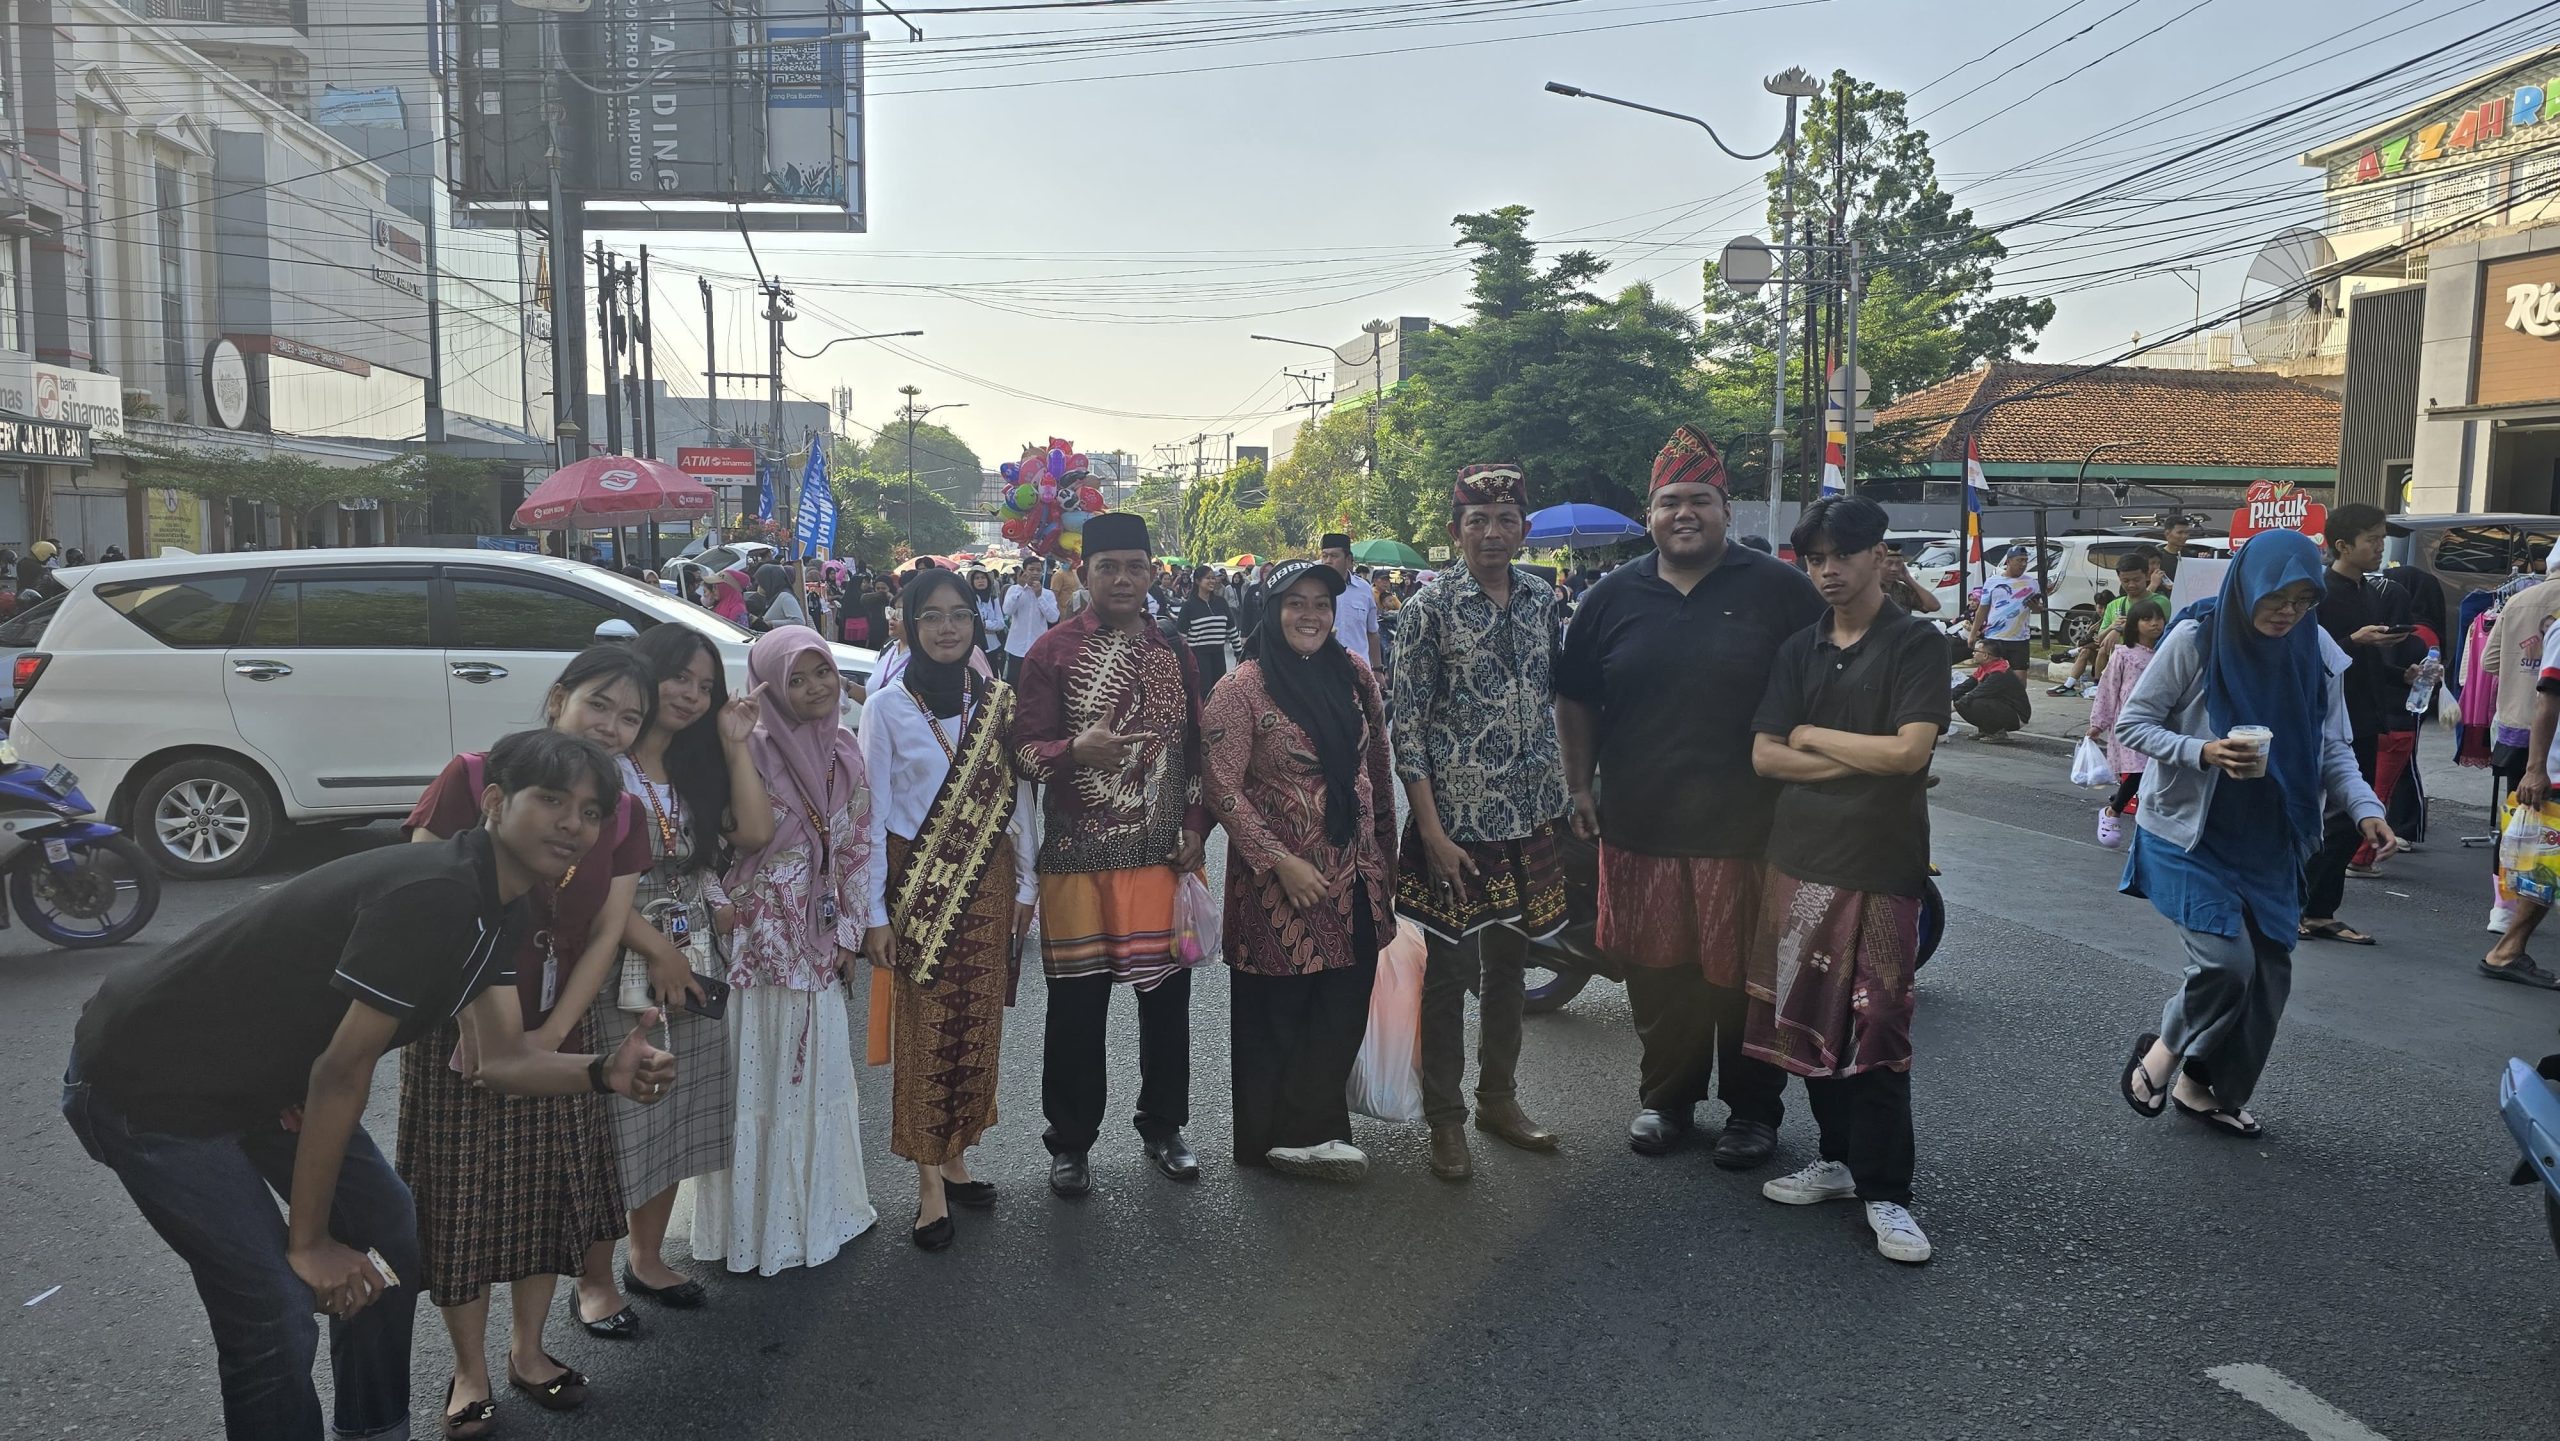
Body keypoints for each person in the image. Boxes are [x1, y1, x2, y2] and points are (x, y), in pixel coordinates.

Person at [62, 730, 673, 1441]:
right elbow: (341, 1071)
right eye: (552, 799)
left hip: (258, 1080)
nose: (574, 822)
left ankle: (373, 1429)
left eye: (592, 811)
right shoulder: (438, 894)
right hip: (150, 1085)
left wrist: (602, 1071)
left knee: (392, 1242)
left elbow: (500, 1059)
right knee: (275, 1308)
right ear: (497, 802)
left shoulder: (503, 902)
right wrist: (311, 1240)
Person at [400, 646, 661, 1430]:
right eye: (599, 705)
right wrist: (496, 1033)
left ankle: (529, 1349)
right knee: (462, 1202)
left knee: (550, 1196)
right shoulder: (474, 777)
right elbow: (426, 908)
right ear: (558, 699)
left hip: (561, 1023)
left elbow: (608, 931)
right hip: (461, 1023)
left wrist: (549, 1035)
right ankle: (469, 1369)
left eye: (630, 717)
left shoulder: (624, 811)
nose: (613, 727)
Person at [1556, 427, 1823, 1170]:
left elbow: (1824, 684)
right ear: (1649, 513)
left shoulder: (1780, 589)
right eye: (1670, 501)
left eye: (1699, 500)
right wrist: (1580, 783)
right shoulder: (1611, 597)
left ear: (1725, 508)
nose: (1684, 513)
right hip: (1640, 821)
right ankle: (1666, 1101)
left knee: (1747, 979)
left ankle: (1752, 1112)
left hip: (1754, 828)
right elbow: (1575, 696)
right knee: (1657, 972)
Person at [2115, 530, 2393, 1140]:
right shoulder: (2196, 638)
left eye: (2303, 598)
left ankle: (2205, 1088)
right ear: (2247, 582)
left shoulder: (2317, 649)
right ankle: (2161, 1054)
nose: (2288, 611)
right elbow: (2133, 722)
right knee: (2226, 962)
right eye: (2277, 595)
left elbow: (2331, 747)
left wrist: (2366, 806)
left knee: (2269, 975)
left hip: (2272, 838)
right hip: (2192, 835)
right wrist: (2202, 751)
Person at [1746, 494, 1949, 1265]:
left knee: (1880, 1026)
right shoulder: (1799, 647)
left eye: (1843, 554)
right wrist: (1854, 754)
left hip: (1880, 864)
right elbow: (1765, 755)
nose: (1829, 570)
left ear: (1879, 557)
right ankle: (1835, 1158)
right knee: (1807, 1019)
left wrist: (1811, 737)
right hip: (1799, 861)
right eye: (1816, 558)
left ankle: (1887, 1192)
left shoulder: (1915, 644)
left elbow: (1910, 755)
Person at [1011, 512, 1210, 1196]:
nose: (1122, 578)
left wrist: (1195, 823)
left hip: (1161, 857)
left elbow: (1195, 748)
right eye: (1108, 567)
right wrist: (1075, 752)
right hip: (1077, 860)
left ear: (1152, 571)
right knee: (1076, 1009)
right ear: (1085, 573)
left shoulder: (1176, 648)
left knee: (1166, 1002)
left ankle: (1164, 1127)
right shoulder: (1051, 652)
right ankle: (1070, 1143)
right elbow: (1023, 753)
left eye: (1135, 566)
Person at [1391, 464, 1571, 1182]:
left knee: (1509, 967)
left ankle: (1499, 1099)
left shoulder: (1539, 596)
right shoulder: (1428, 611)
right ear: (1453, 532)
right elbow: (1409, 730)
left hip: (1528, 818)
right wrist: (1431, 831)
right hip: (1457, 825)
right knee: (1447, 975)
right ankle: (1447, 1121)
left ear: (1523, 526)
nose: (1493, 533)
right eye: (1478, 520)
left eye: (1506, 519)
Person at [858, 570, 1040, 1249]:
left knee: (976, 1025)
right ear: (906, 623)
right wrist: (874, 911)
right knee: (927, 1029)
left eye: (959, 614)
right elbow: (871, 818)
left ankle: (959, 1155)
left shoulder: (996, 699)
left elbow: (1021, 801)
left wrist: (1026, 887)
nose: (946, 628)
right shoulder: (886, 707)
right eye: (930, 615)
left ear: (976, 623)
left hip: (989, 882)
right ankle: (929, 1182)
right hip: (918, 886)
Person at [596, 625, 776, 1310]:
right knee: (613, 1112)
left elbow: (756, 832)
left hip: (693, 952)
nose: (693, 695)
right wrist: (655, 948)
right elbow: (579, 885)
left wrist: (734, 744)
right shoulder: (602, 762)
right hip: (617, 951)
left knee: (675, 1102)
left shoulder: (696, 767)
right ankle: (592, 1278)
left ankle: (646, 1256)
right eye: (680, 677)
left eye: (705, 685)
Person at [1202, 559, 1398, 1180]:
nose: (1310, 615)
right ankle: (1275, 1139)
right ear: (1271, 610)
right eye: (1296, 603)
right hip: (1277, 886)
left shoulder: (1354, 673)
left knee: (1343, 1004)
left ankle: (1314, 1129)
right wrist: (1278, 860)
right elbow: (1220, 786)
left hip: (1356, 874)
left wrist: (1388, 857)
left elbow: (1378, 769)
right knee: (1279, 1010)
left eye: (1321, 603)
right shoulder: (1243, 688)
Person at [697, 626, 880, 1273]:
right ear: (769, 683)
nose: (812, 689)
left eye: (821, 674)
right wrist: (736, 745)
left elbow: (858, 850)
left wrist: (851, 934)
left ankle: (813, 1214)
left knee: (814, 1074)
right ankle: (750, 1226)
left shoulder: (848, 752)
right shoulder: (745, 748)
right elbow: (730, 841)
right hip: (751, 940)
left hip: (816, 938)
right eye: (795, 679)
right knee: (754, 1076)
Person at [2300, 504, 2423, 943]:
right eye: (2372, 539)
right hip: (2329, 719)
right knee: (2327, 819)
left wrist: (2402, 675)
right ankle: (2305, 909)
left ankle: (2319, 910)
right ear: (2342, 545)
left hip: (2367, 716)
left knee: (2349, 819)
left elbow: (2365, 661)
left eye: (2381, 538)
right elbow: (2305, 658)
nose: (2379, 546)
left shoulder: (2370, 590)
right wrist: (2354, 640)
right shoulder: (2318, 594)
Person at [2088, 596, 2169, 848]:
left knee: (2154, 776)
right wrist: (2098, 722)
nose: (2155, 624)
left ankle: (2148, 830)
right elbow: (2108, 689)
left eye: (2159, 618)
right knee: (2137, 771)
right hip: (2130, 723)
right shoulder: (2124, 654)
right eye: (2147, 619)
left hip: (2159, 723)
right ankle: (2113, 811)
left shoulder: (2166, 653)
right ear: (2135, 624)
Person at [2052, 548, 2161, 696]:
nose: (2131, 585)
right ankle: (2085, 683)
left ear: (2146, 576)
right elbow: (2100, 638)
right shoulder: (2115, 605)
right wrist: (2112, 627)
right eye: (2126, 581)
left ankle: (2073, 660)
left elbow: (2156, 629)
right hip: (2117, 665)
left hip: (2145, 666)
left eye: (2136, 580)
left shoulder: (2160, 602)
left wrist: (2119, 629)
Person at [1967, 544, 2043, 668]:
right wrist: (1973, 632)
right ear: (2008, 561)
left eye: (2025, 561)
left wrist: (2035, 607)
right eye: (2019, 560)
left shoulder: (2032, 583)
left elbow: (2038, 609)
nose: (2023, 564)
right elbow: (1982, 609)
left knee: (2019, 680)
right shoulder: (1992, 581)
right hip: (1994, 637)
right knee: (1991, 675)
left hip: (2019, 639)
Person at [1323, 532, 1384, 671]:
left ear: (1349, 560)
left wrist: (1378, 669)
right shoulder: (1315, 589)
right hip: (1325, 670)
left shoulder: (1364, 589)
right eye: (1324, 556)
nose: (1328, 561)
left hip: (1359, 671)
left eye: (1334, 556)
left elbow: (1372, 632)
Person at [1951, 638, 2032, 740]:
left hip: (2016, 716)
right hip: (2001, 707)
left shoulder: (1999, 673)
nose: (1973, 653)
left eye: (1976, 651)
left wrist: (1947, 710)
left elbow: (1976, 693)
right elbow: (1965, 686)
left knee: (1973, 701)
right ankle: (1986, 730)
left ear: (1985, 655)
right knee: (1960, 697)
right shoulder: (1985, 667)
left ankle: (1997, 732)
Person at [1177, 567, 1238, 690]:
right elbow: (1181, 635)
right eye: (1208, 578)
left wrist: (1239, 652)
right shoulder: (1189, 606)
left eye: (1213, 578)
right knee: (1203, 692)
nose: (1212, 581)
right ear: (1198, 581)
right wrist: (1185, 659)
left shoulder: (1221, 603)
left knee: (1219, 691)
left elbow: (1232, 629)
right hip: (1199, 656)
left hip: (1219, 654)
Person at [1004, 562, 1061, 684]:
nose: (1035, 573)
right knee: (1015, 684)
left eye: (1038, 570)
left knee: (1035, 685)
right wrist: (1020, 587)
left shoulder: (1047, 594)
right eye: (1031, 569)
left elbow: (1053, 618)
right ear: (1024, 571)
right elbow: (1007, 610)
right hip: (1016, 648)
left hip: (1038, 649)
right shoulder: (1014, 590)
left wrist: (1039, 596)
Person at [752, 562, 808, 632]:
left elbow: (799, 622)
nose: (759, 587)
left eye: (761, 583)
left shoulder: (785, 597)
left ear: (769, 581)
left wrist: (770, 623)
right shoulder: (774, 597)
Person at [972, 568, 1008, 666]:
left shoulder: (992, 599)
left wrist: (985, 624)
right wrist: (991, 625)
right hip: (975, 647)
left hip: (993, 646)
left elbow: (1001, 623)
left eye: (983, 577)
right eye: (977, 578)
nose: (980, 580)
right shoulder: (970, 600)